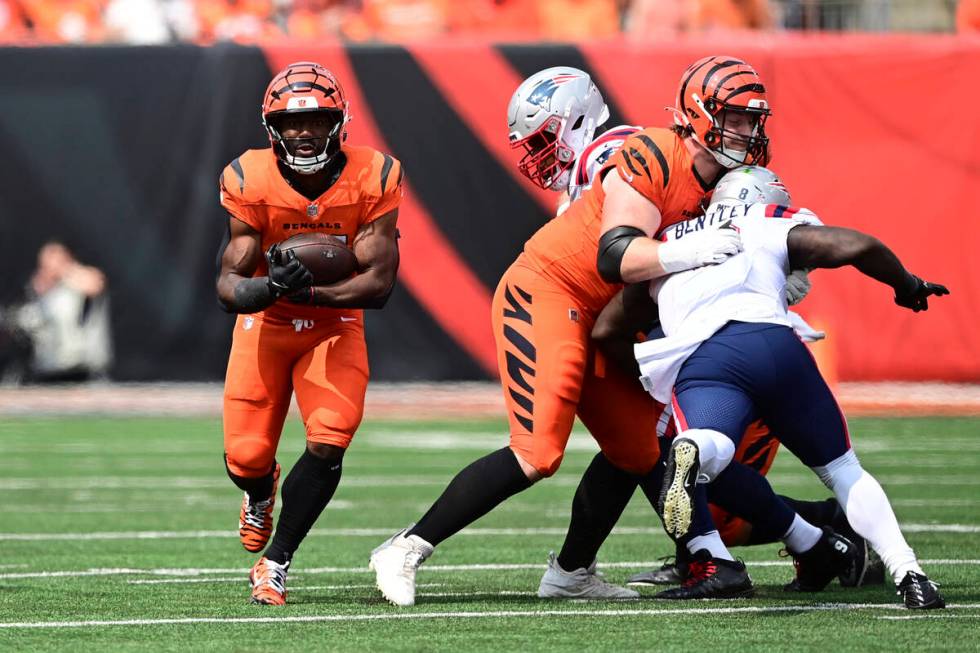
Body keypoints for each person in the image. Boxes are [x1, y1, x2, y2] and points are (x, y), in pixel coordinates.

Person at [370, 56, 840, 606]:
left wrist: (782, 270)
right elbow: (615, 254)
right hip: (550, 294)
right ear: (699, 116)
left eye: (749, 119)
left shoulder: (718, 177)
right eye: (732, 118)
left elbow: (765, 220)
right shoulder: (640, 153)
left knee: (646, 447)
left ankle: (578, 572)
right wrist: (685, 252)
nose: (744, 131)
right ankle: (406, 547)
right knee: (538, 451)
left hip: (603, 318)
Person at [639, 165, 948, 609]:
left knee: (707, 447)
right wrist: (907, 285)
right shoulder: (763, 222)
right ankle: (910, 574)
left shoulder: (668, 241)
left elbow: (615, 317)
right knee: (843, 469)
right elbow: (859, 245)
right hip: (771, 342)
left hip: (702, 358)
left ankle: (695, 449)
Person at [215, 61, 402, 605]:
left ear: (339, 122)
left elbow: (379, 285)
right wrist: (273, 289)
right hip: (267, 322)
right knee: (246, 456)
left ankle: (275, 562)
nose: (304, 131)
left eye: (318, 120)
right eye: (292, 122)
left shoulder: (376, 175)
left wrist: (312, 295)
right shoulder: (249, 177)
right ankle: (258, 492)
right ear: (271, 127)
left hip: (334, 321)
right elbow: (228, 286)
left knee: (331, 435)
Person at [9, 241, 112, 383]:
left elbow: (95, 283)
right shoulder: (40, 292)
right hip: (48, 372)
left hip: (83, 372)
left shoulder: (79, 282)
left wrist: (65, 270)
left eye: (56, 260)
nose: (50, 266)